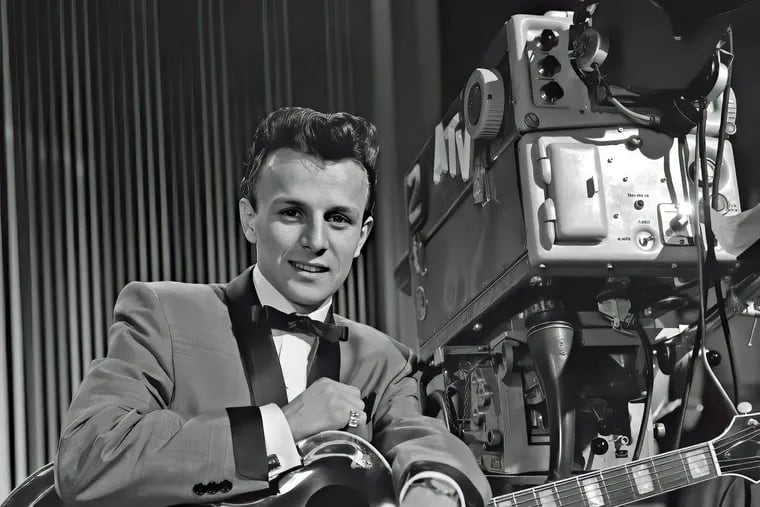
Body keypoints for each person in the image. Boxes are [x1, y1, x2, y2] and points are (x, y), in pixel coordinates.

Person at [54, 107, 492, 507]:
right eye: (292, 213)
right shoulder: (164, 313)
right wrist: (283, 425)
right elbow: (88, 457)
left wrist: (434, 486)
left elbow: (422, 440)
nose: (316, 242)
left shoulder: (386, 360)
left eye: (338, 219)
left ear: (362, 236)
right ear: (250, 218)